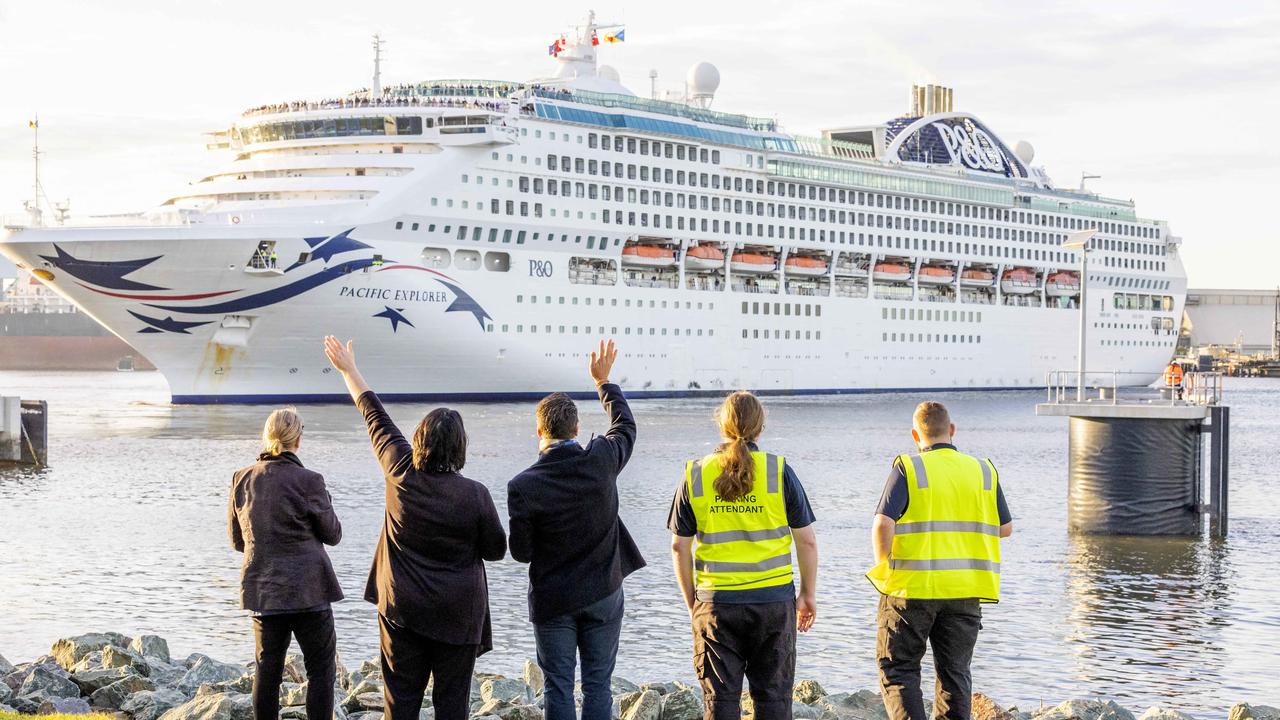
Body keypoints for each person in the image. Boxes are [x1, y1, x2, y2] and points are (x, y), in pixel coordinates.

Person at [322, 336, 507, 720]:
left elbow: (373, 414)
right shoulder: (475, 495)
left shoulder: (400, 471)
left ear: (418, 439)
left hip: (401, 608)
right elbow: (495, 549)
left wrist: (349, 370)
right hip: (457, 616)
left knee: (400, 701)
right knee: (452, 706)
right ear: (460, 449)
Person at [507, 339, 644, 720]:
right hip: (603, 593)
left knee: (557, 686)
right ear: (577, 427)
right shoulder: (601, 459)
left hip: (553, 600)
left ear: (539, 430)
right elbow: (625, 426)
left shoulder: (523, 485)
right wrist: (604, 383)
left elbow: (521, 553)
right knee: (599, 683)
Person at [668, 391, 819, 720]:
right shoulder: (779, 471)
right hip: (773, 603)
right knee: (774, 700)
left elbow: (680, 546)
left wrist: (693, 602)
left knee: (720, 702)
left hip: (716, 603)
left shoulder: (696, 473)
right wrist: (807, 594)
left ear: (721, 425)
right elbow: (806, 541)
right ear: (760, 427)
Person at [867, 401, 1013, 720]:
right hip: (965, 590)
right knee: (954, 675)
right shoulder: (983, 470)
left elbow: (882, 523)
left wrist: (884, 569)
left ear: (915, 435)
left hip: (912, 590)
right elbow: (1005, 528)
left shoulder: (909, 467)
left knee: (899, 670)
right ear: (951, 430)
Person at [228, 408, 343, 720]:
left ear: (267, 437)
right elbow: (333, 534)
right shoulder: (310, 480)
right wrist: (326, 500)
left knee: (267, 672)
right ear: (298, 440)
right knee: (321, 671)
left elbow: (238, 541)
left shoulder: (242, 478)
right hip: (310, 592)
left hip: (264, 592)